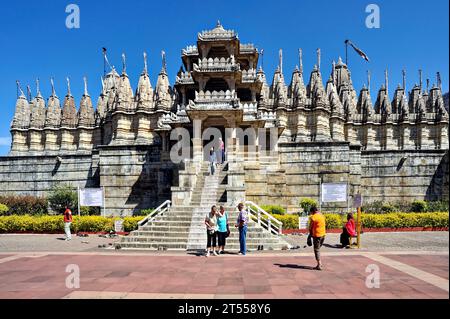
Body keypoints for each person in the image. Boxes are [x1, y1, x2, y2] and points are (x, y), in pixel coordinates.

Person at [309, 206, 326, 270]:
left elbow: (310, 227)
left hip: (317, 235)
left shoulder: (313, 217)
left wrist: (310, 234)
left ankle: (319, 264)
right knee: (318, 248)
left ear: (312, 211)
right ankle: (319, 263)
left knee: (316, 249)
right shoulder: (322, 215)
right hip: (323, 234)